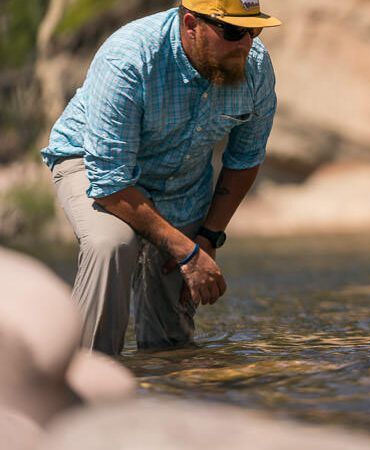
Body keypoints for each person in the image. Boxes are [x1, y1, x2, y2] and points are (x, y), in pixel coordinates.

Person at [40, 0, 282, 355]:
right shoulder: (129, 57)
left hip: (181, 181)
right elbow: (109, 181)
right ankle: (84, 377)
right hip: (92, 165)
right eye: (232, 31)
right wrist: (187, 251)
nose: (246, 43)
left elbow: (245, 158)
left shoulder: (255, 66)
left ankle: (168, 389)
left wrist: (208, 238)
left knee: (171, 338)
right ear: (190, 25)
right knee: (112, 245)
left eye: (254, 30)